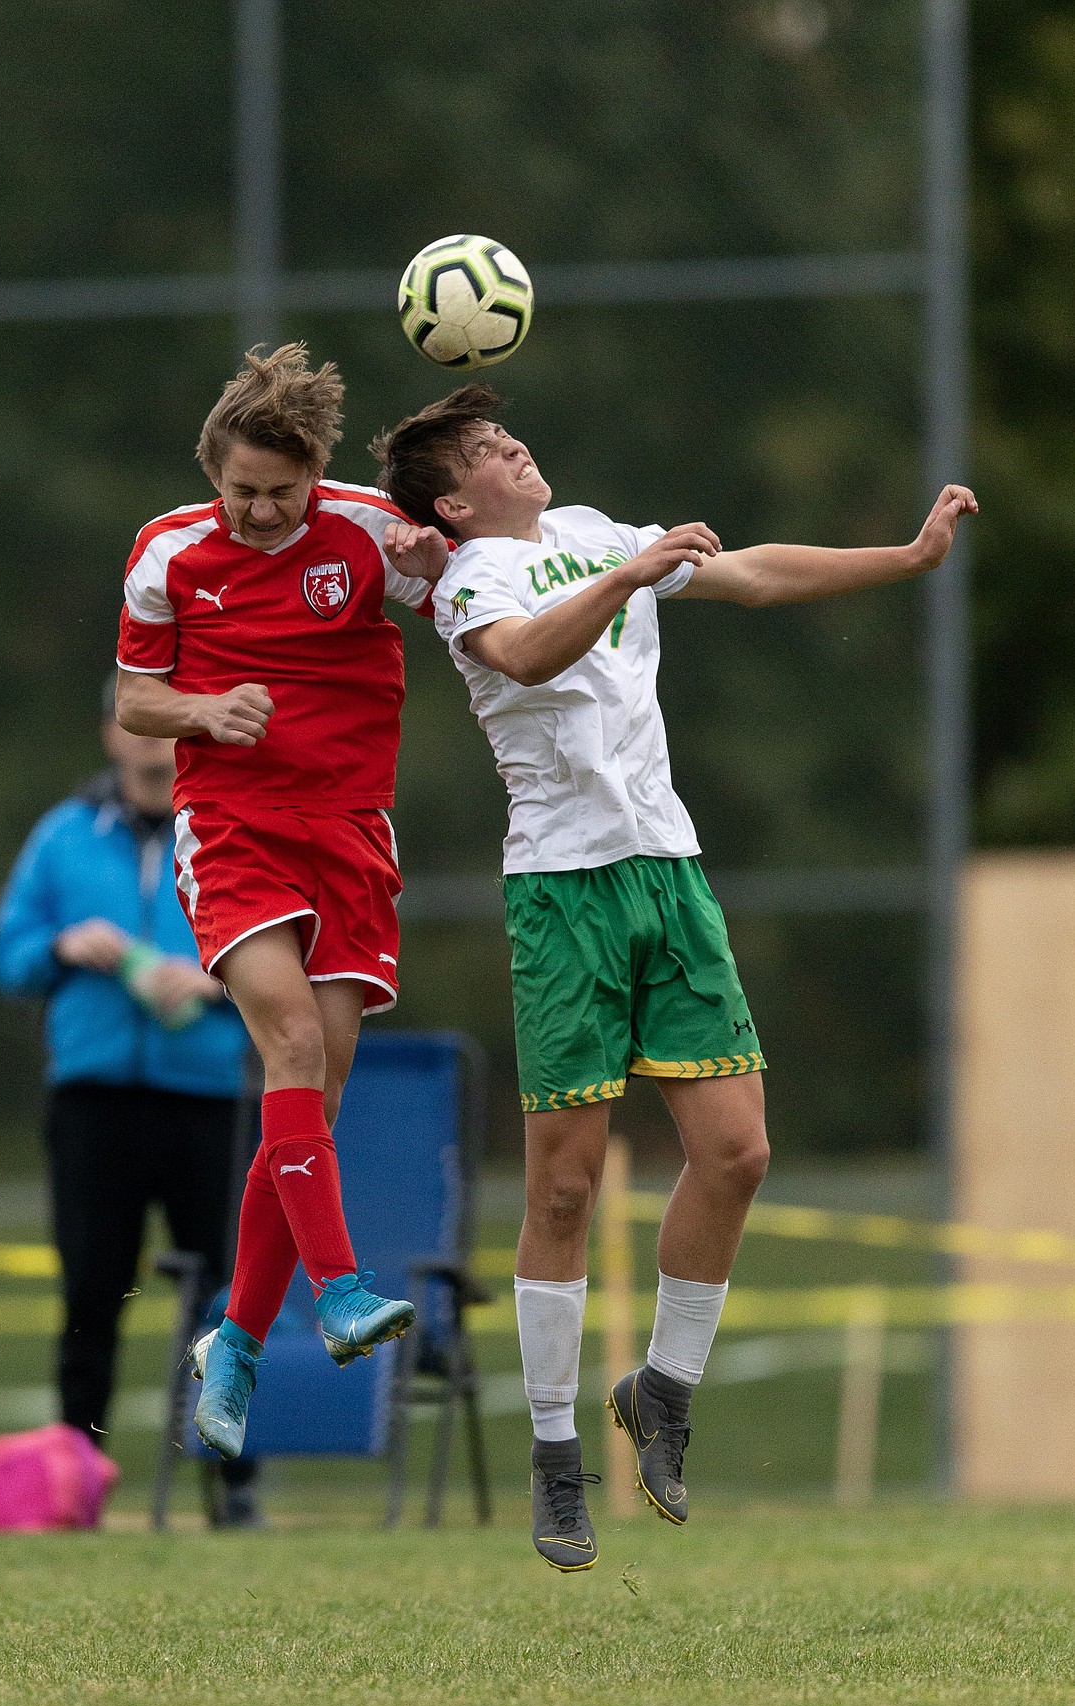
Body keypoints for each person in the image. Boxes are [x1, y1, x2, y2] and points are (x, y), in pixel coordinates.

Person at [373, 383, 977, 1570]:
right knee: (563, 1189)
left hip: (669, 875)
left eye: (509, 433)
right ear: (454, 500)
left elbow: (751, 572)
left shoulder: (598, 532)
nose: (515, 446)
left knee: (739, 1153)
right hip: (563, 894)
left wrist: (906, 557)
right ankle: (556, 1460)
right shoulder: (470, 583)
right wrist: (631, 576)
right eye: (490, 450)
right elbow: (530, 660)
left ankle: (662, 1393)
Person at [113, 342, 449, 1462]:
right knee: (291, 1040)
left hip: (350, 831)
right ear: (215, 471)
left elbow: (468, 599)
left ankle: (235, 1342)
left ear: (317, 478)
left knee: (313, 1091)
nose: (261, 511)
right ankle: (339, 1290)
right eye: (242, 491)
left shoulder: (363, 530)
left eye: (282, 493)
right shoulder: (166, 552)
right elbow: (136, 700)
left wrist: (434, 560)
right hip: (236, 830)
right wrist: (205, 712)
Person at [0, 677, 261, 1525]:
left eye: (167, 722)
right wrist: (62, 943)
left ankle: (232, 1490)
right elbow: (9, 955)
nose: (148, 740)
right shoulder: (64, 836)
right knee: (90, 1293)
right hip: (93, 1101)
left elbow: (287, 950)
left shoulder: (231, 829)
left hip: (207, 1099)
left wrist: (217, 983)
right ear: (112, 733)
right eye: (132, 719)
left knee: (223, 1297)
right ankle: (75, 1484)